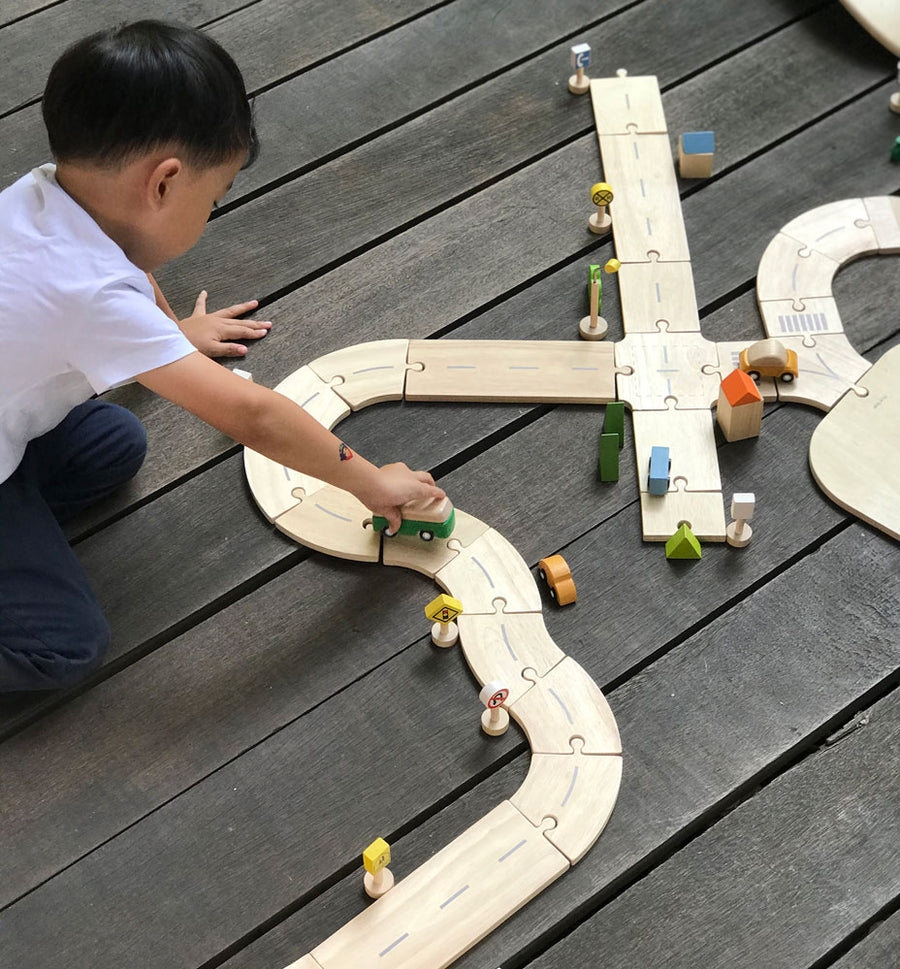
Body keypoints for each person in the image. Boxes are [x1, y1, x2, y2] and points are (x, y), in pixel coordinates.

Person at [0, 21, 444, 693]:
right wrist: (371, 483)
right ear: (165, 182)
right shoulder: (87, 296)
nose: (212, 211)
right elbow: (253, 415)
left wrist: (172, 333)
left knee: (117, 442)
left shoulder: (46, 191)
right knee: (64, 645)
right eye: (215, 197)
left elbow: (122, 265)